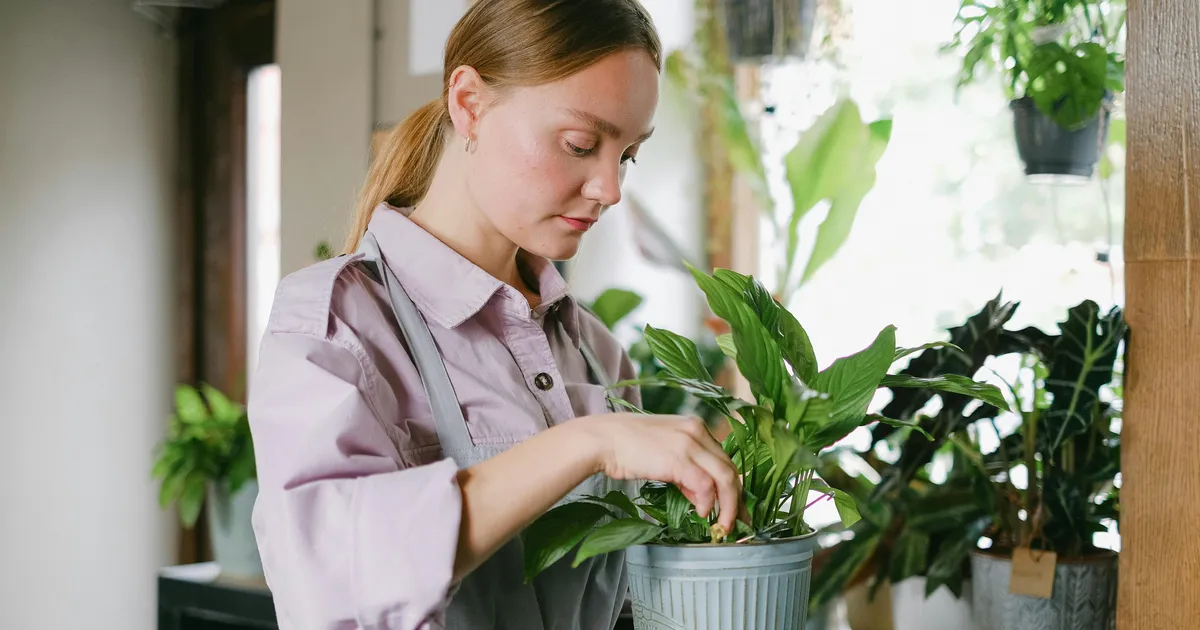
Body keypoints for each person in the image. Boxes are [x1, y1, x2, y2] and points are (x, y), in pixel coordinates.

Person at [247, 1, 742, 628]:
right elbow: (324, 580)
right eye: (580, 144)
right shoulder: (337, 321)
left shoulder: (591, 348)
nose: (611, 188)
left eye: (628, 155)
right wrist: (587, 443)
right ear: (470, 104)